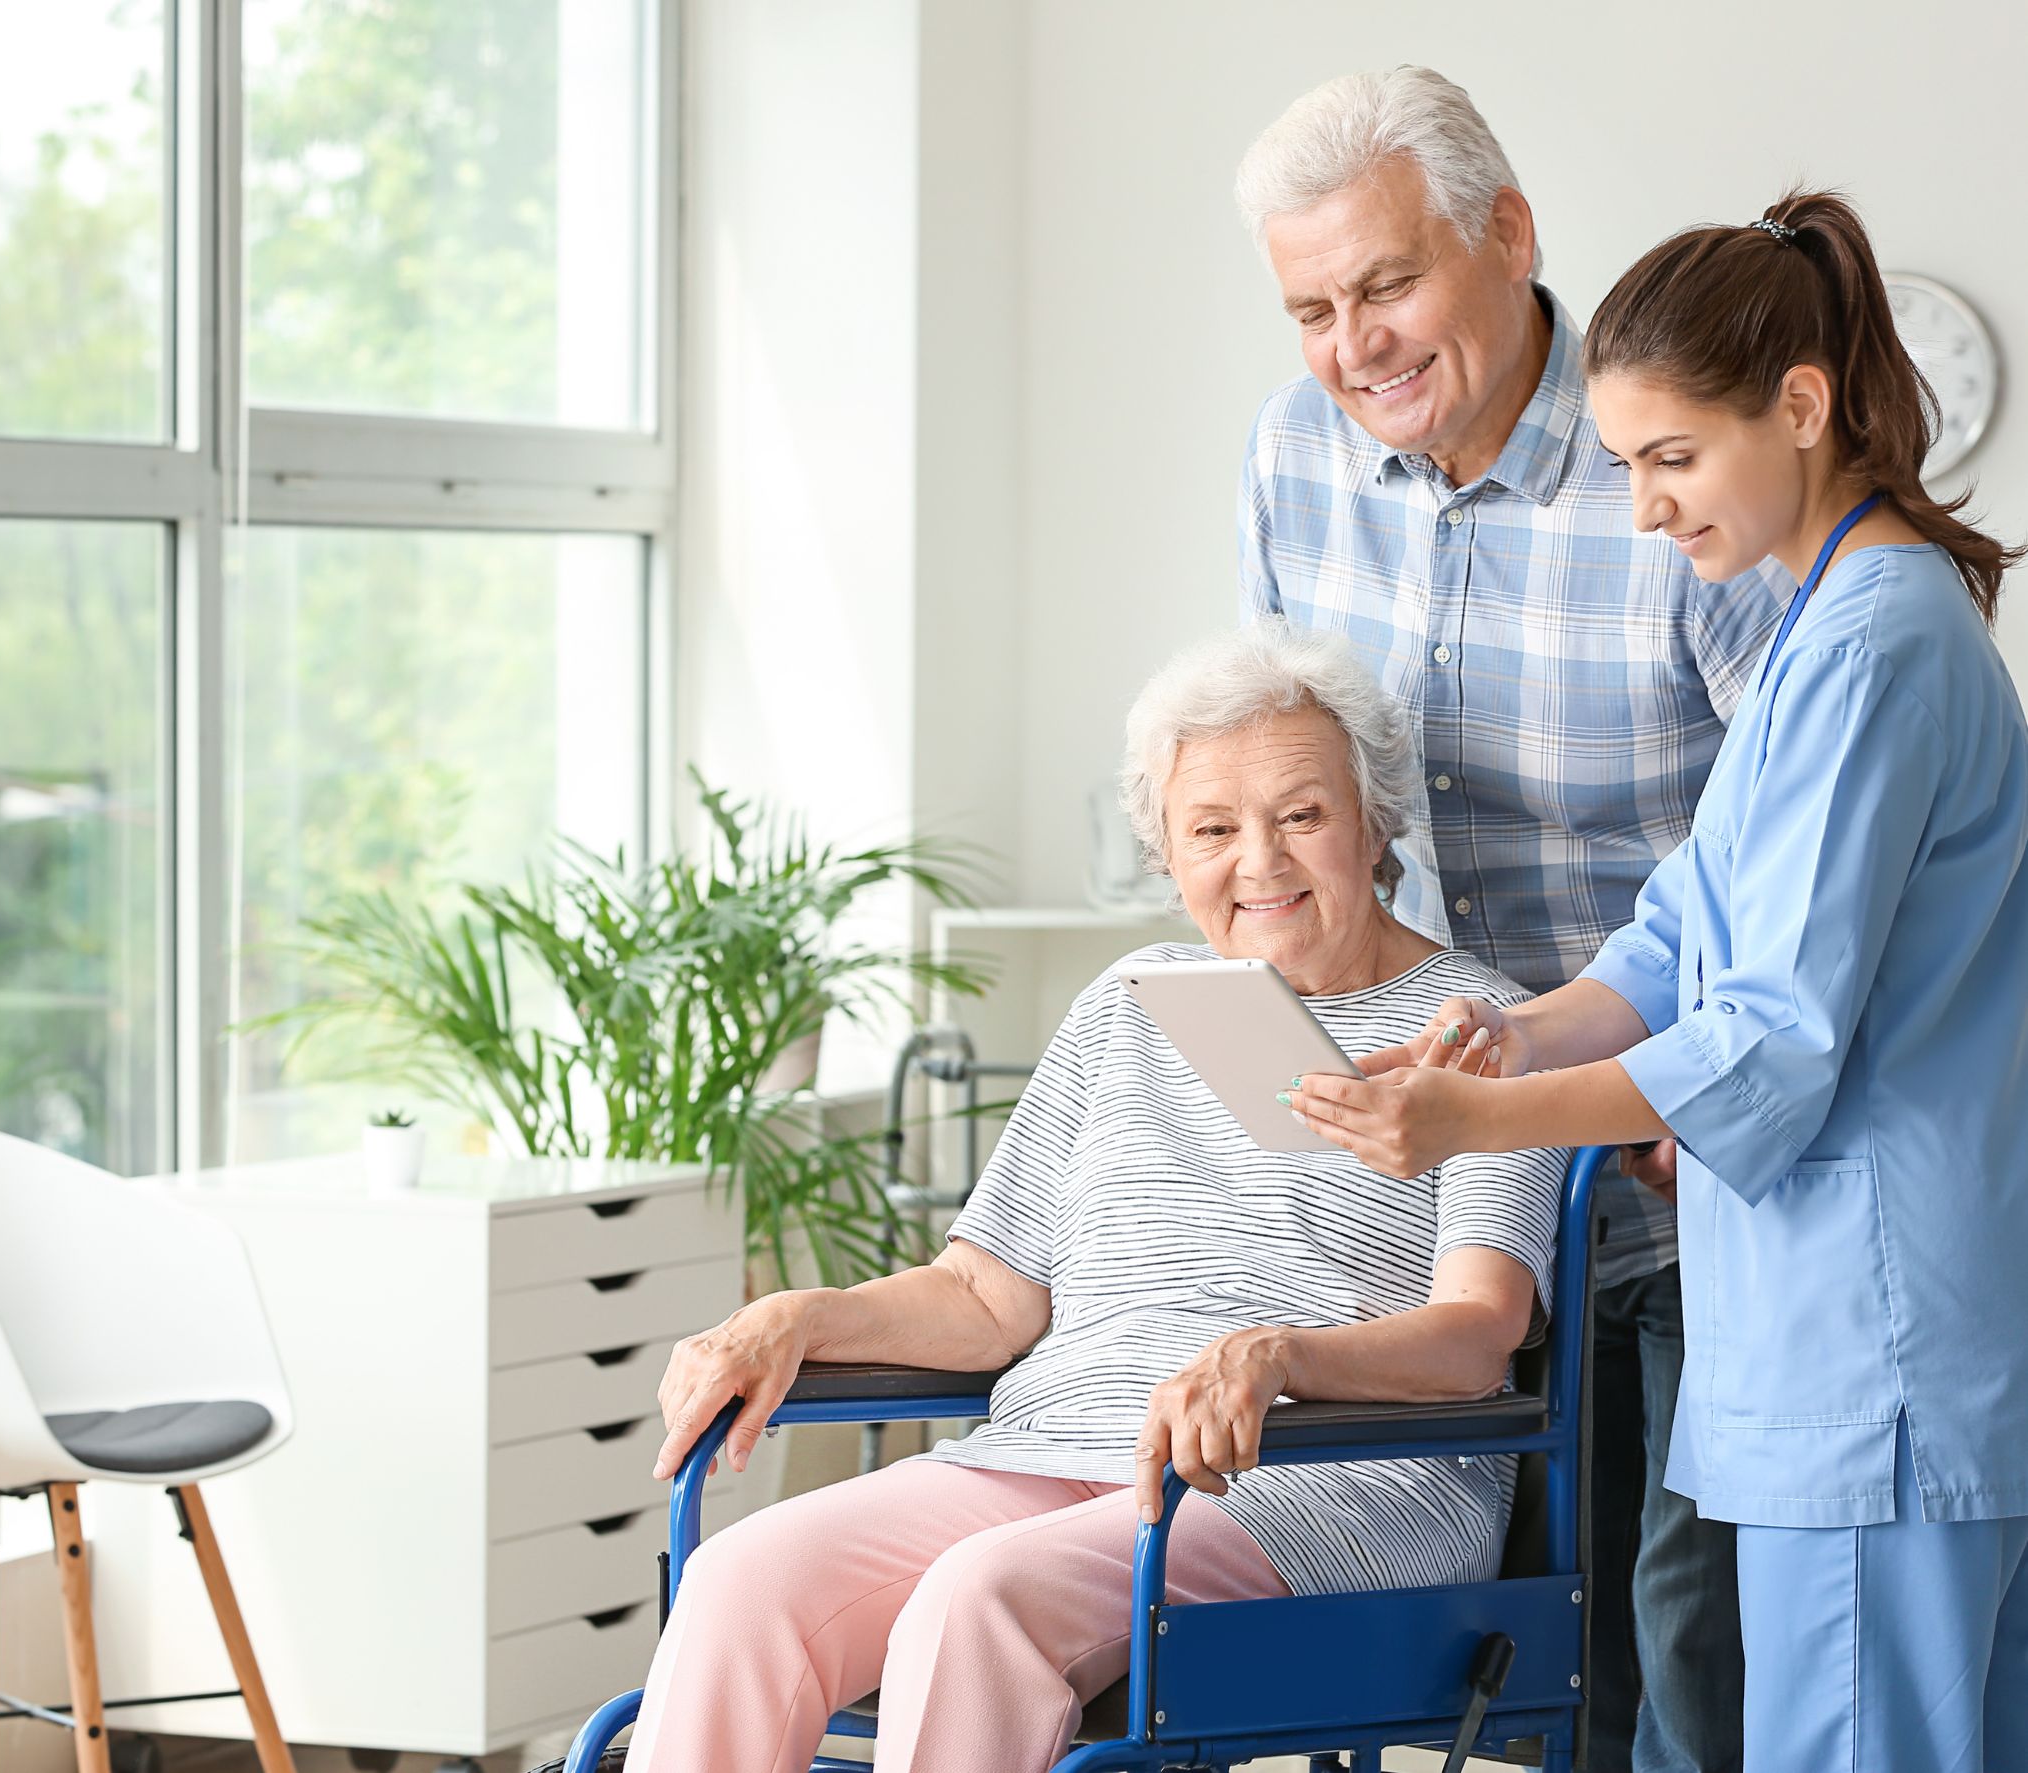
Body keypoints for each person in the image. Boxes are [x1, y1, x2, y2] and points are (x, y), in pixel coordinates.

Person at [1290, 189, 2028, 1773]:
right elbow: (1674, 937)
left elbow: (1761, 1041)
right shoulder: (1813, 625)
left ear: (1801, 408)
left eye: (1670, 460)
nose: (1642, 512)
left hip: (1870, 1348)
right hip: (1841, 1350)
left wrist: (1472, 1128)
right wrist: (1495, 1039)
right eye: (1622, 465)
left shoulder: (1873, 647)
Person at [621, 623, 1565, 1773]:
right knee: (742, 1579)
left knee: (980, 1598)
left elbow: (1478, 1338)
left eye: (1302, 816)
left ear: (1377, 824)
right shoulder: (1133, 1002)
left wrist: (1282, 1358)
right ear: (1168, 853)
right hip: (1058, 1448)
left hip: (1322, 1477)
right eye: (1212, 830)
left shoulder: (1485, 1033)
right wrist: (797, 1316)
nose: (1258, 862)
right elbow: (986, 1296)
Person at [1231, 68, 1787, 1770]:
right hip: (1451, 1185)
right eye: (1314, 307)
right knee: (1511, 1669)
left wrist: (1688, 1096)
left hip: (1683, 1162)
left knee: (1688, 1665)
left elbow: (1806, 836)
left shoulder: (1678, 465)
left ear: (1511, 234)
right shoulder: (1295, 456)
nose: (1356, 345)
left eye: (1387, 283)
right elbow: (1296, 789)